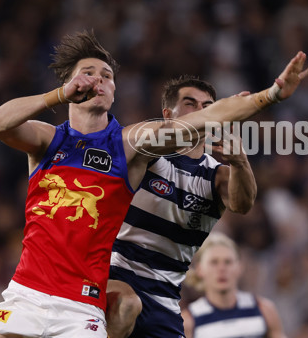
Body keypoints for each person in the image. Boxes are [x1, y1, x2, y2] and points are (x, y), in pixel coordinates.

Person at [0, 30, 308, 337]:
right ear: (71, 82)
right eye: (88, 73)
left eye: (107, 76)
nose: (98, 80)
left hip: (84, 305)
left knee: (128, 305)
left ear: (114, 91)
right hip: (27, 292)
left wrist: (271, 94)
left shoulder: (130, 144)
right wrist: (58, 95)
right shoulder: (49, 141)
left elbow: (209, 120)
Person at [106, 75, 257, 338]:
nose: (201, 112)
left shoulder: (217, 175)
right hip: (115, 275)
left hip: (165, 297)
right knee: (126, 304)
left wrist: (240, 162)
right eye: (191, 104)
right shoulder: (147, 154)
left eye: (208, 106)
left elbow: (243, 205)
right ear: (167, 114)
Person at [181, 232, 287, 338]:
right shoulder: (189, 321)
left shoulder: (264, 310)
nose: (221, 269)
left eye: (228, 262)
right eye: (214, 262)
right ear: (200, 269)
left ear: (240, 267)